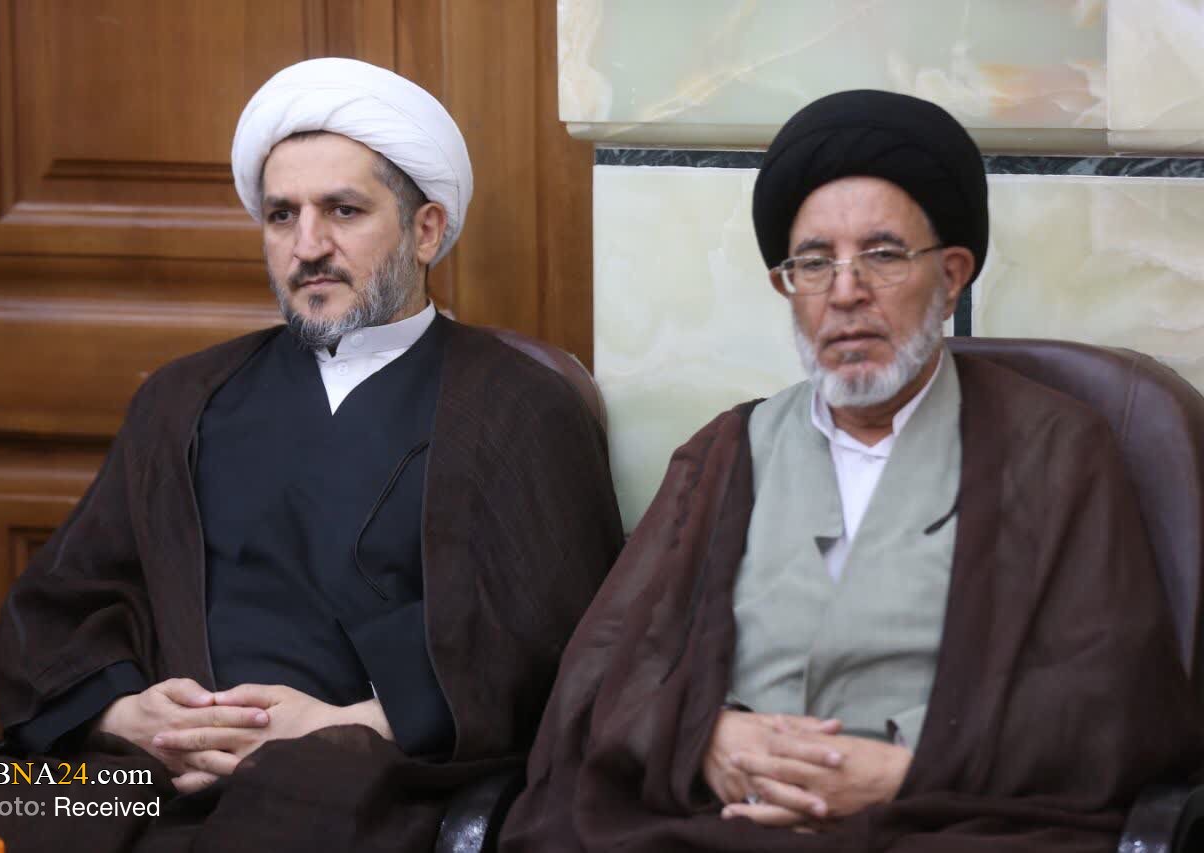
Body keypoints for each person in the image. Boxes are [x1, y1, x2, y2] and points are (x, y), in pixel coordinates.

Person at [0, 57, 623, 852]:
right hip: (156, 763)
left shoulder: (518, 404)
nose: (308, 246)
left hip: (362, 766)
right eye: (281, 215)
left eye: (343, 211)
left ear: (426, 229)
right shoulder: (184, 398)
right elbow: (64, 600)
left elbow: (554, 643)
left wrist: (350, 721)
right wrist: (125, 712)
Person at [500, 89, 1204, 853]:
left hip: (942, 826)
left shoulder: (1054, 449)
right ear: (787, 287)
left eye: (883, 254)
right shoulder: (727, 452)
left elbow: (1115, 707)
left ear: (952, 277)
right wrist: (703, 736)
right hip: (723, 826)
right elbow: (605, 676)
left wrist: (906, 775)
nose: (845, 292)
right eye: (813, 263)